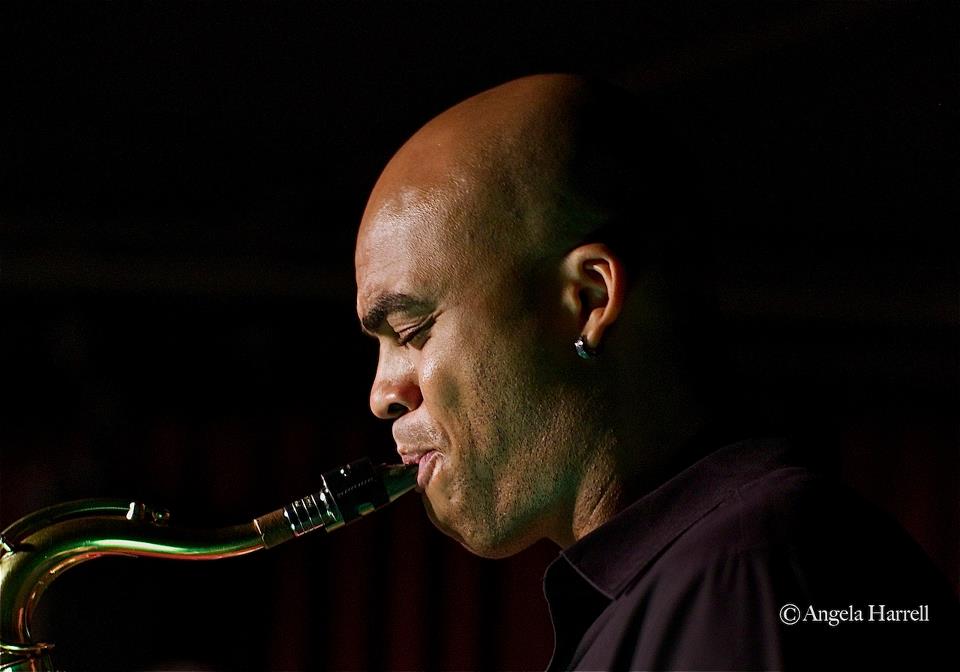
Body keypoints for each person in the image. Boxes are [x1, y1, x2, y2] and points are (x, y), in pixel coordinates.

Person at [354, 74, 957, 670]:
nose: (383, 394)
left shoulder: (737, 579)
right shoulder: (726, 576)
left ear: (590, 300)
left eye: (412, 331)